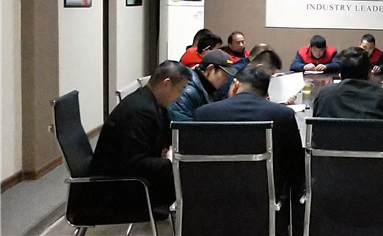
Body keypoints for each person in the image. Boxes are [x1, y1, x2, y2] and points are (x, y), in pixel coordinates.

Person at [194, 65, 304, 236]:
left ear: (235, 84)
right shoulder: (282, 115)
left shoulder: (204, 114)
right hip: (265, 200)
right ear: (266, 92)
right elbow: (296, 167)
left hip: (214, 199)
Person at [90, 60, 192, 207]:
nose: (180, 96)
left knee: (190, 175)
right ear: (166, 84)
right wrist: (169, 161)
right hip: (117, 190)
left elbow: (168, 136)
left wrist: (171, 152)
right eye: (180, 89)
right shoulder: (139, 112)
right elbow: (135, 163)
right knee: (191, 181)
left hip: (130, 180)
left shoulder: (153, 103)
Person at [313, 47, 383, 153]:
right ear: (369, 73)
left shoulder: (325, 95)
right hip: (378, 162)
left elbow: (315, 132)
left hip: (330, 161)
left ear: (340, 75)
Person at [169, 49, 236, 121]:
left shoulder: (206, 87)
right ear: (210, 69)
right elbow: (181, 123)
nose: (225, 81)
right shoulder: (188, 91)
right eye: (224, 75)